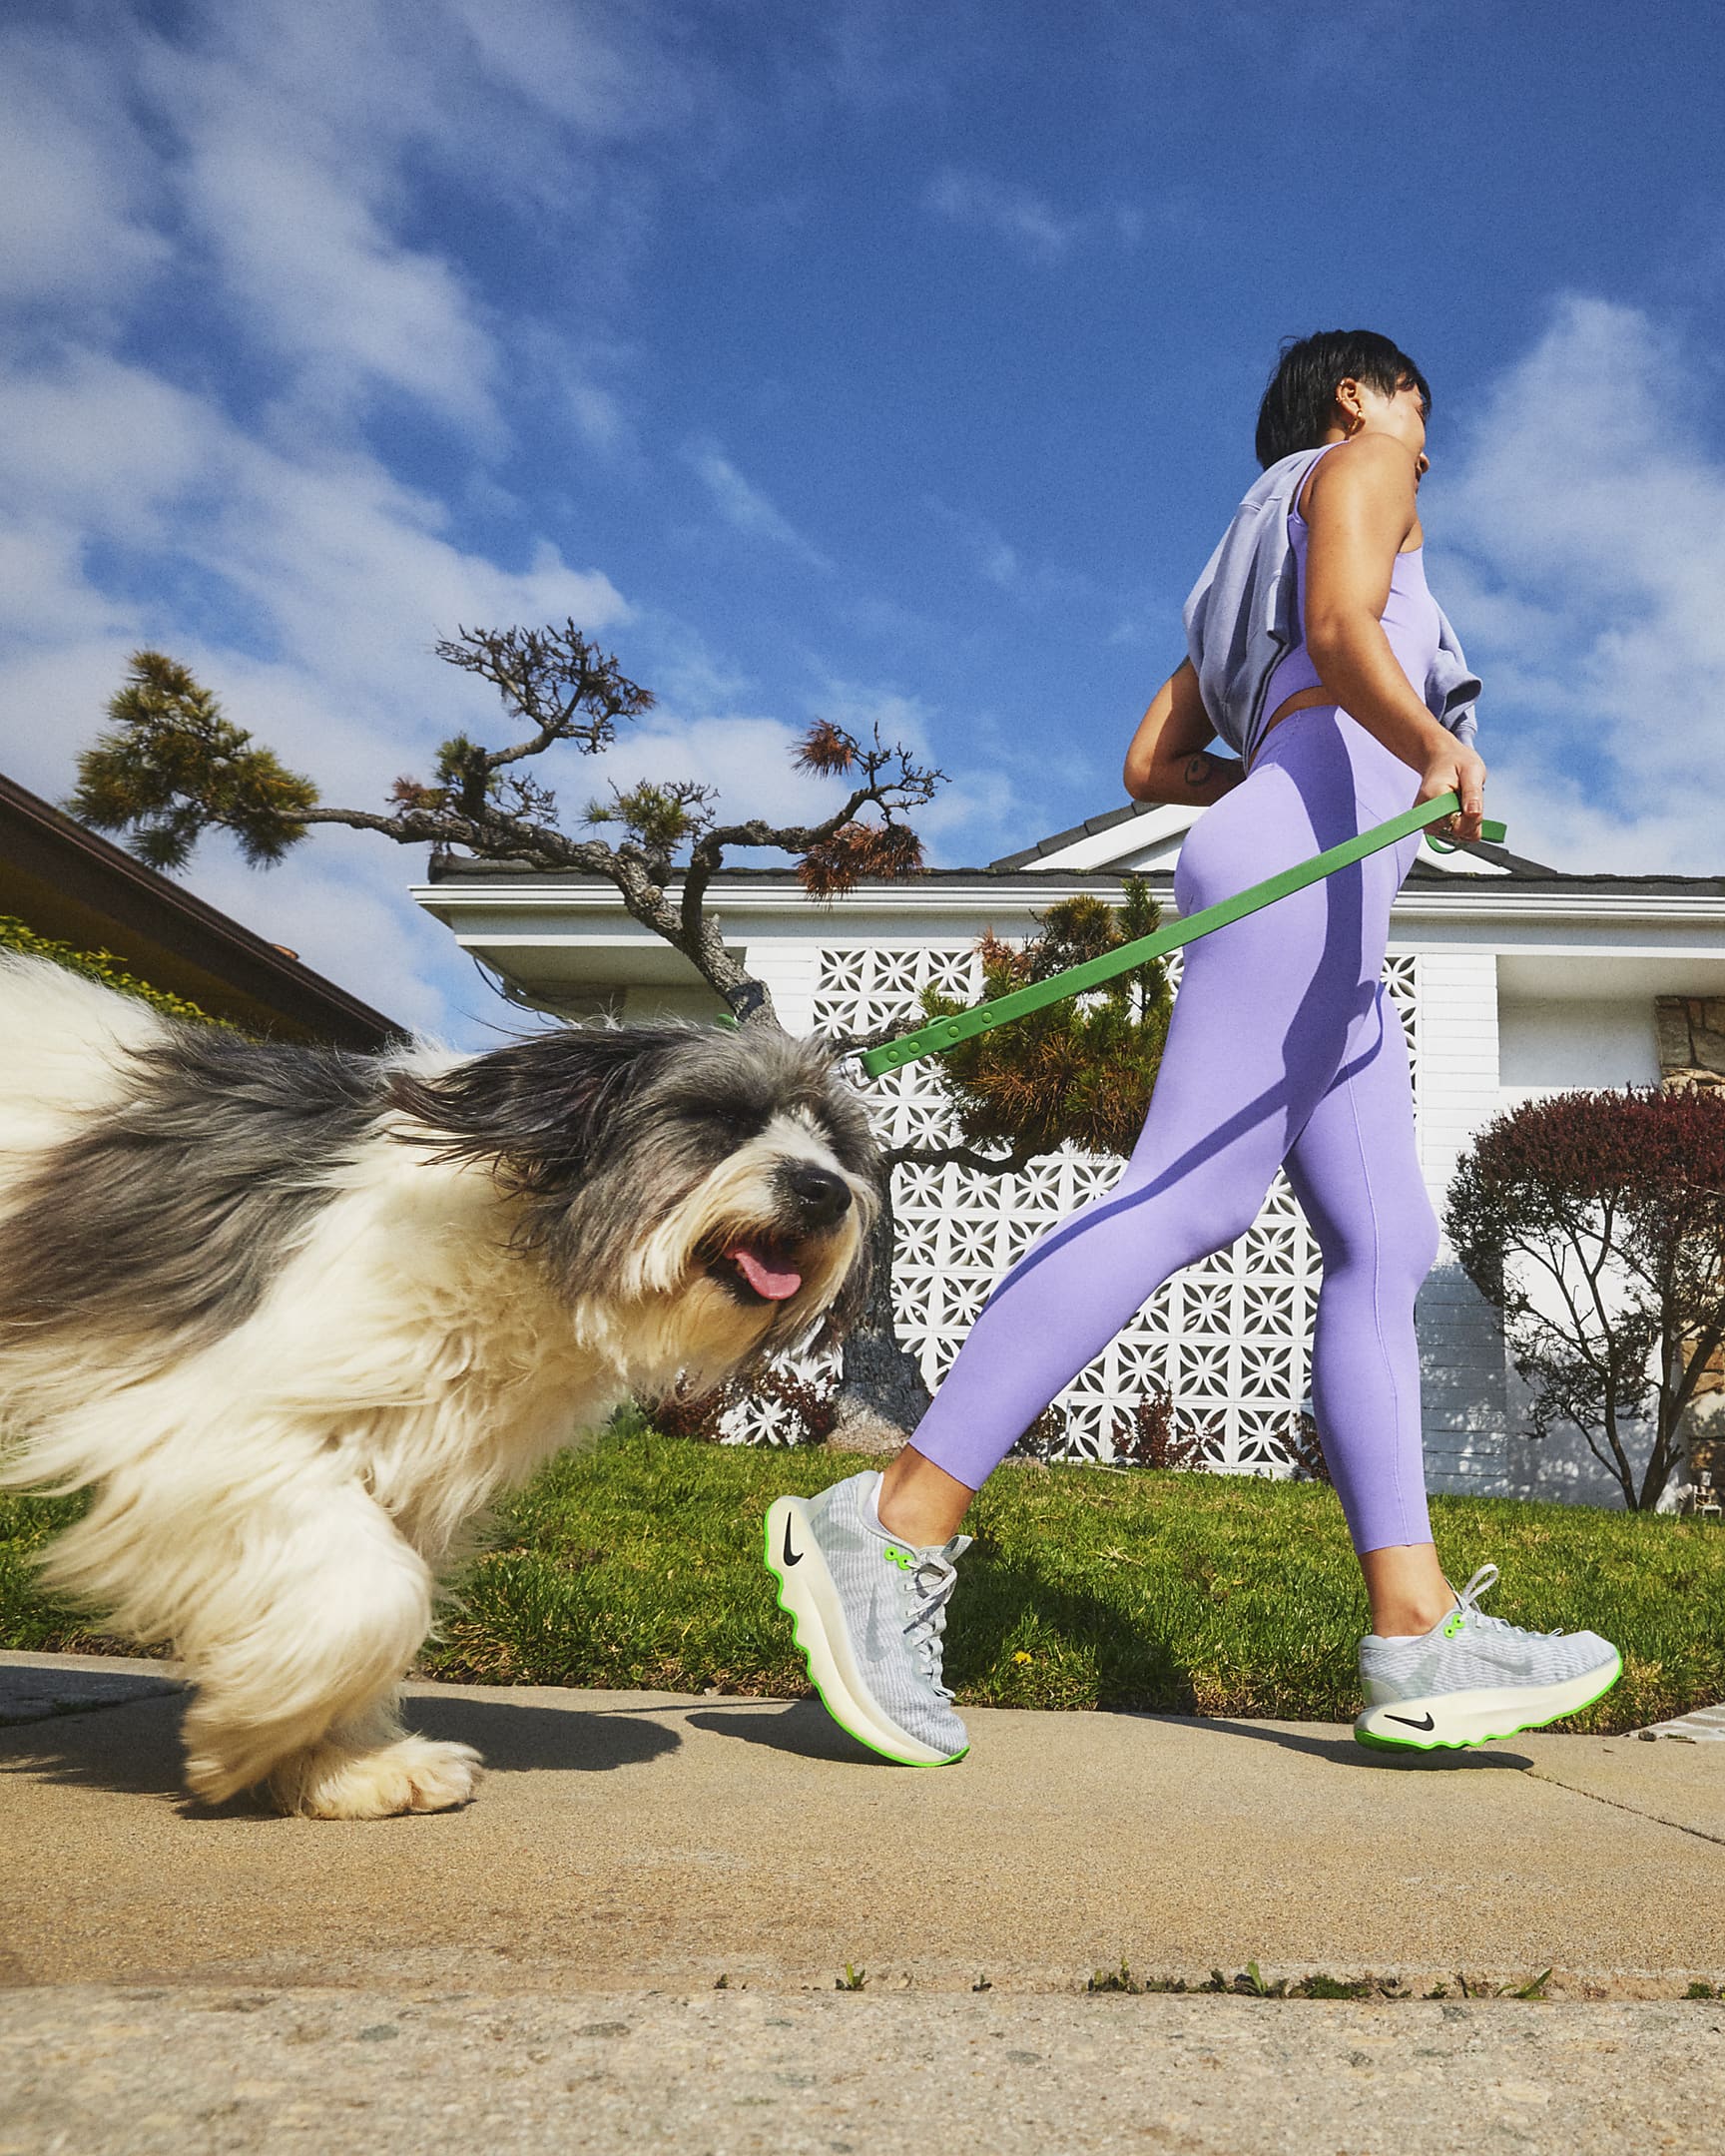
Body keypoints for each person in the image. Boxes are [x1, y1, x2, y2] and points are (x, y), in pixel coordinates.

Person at [766, 330, 1621, 1765]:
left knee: (1384, 1242)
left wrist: (1282, 760)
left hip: (1332, 900)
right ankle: (892, 1524)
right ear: (1361, 397)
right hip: (1310, 859)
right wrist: (1426, 746)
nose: (1427, 428)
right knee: (1190, 1198)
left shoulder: (1249, 549)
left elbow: (1151, 763)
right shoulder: (1368, 466)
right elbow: (1352, 634)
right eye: (1417, 400)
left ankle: (1415, 1632)